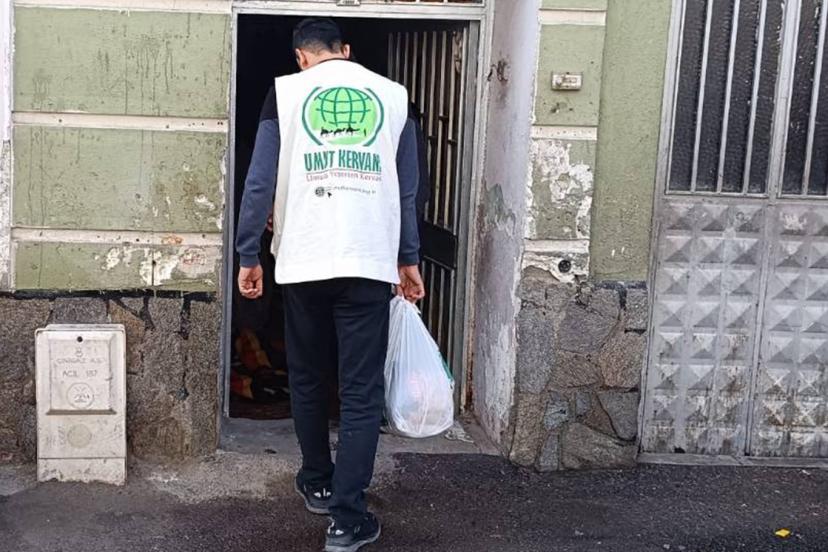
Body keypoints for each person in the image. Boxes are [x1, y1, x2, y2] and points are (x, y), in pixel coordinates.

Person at [234, 17, 424, 552]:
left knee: (308, 376)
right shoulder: (393, 97)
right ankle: (346, 519)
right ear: (346, 50)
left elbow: (259, 181)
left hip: (303, 261)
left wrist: (248, 253)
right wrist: (408, 258)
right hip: (368, 262)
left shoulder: (286, 93)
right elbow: (407, 190)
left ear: (301, 57)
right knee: (361, 392)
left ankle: (317, 481)